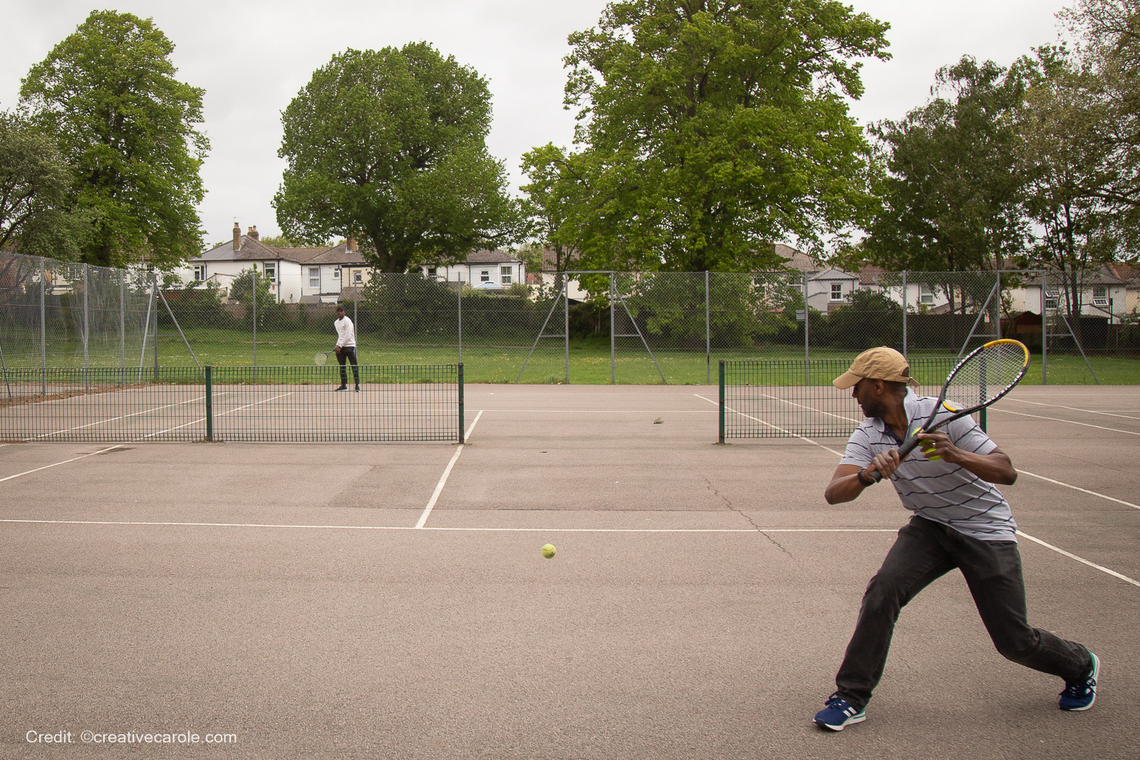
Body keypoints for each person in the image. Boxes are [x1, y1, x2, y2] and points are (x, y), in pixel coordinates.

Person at [813, 346, 1099, 731]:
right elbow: (833, 493)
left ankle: (1080, 664)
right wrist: (866, 475)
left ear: (878, 385)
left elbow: (1006, 471)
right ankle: (851, 696)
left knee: (1014, 642)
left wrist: (956, 455)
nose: (852, 394)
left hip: (985, 529)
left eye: (857, 386)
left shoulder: (948, 417)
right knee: (883, 591)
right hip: (930, 527)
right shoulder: (868, 434)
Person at [333, 305, 359, 392]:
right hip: (341, 348)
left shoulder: (348, 321)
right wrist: (337, 345)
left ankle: (357, 386)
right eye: (338, 311)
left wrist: (340, 345)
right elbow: (340, 335)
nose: (340, 312)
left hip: (350, 346)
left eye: (341, 311)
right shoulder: (336, 323)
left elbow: (348, 335)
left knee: (354, 366)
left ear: (344, 312)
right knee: (342, 366)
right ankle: (343, 386)